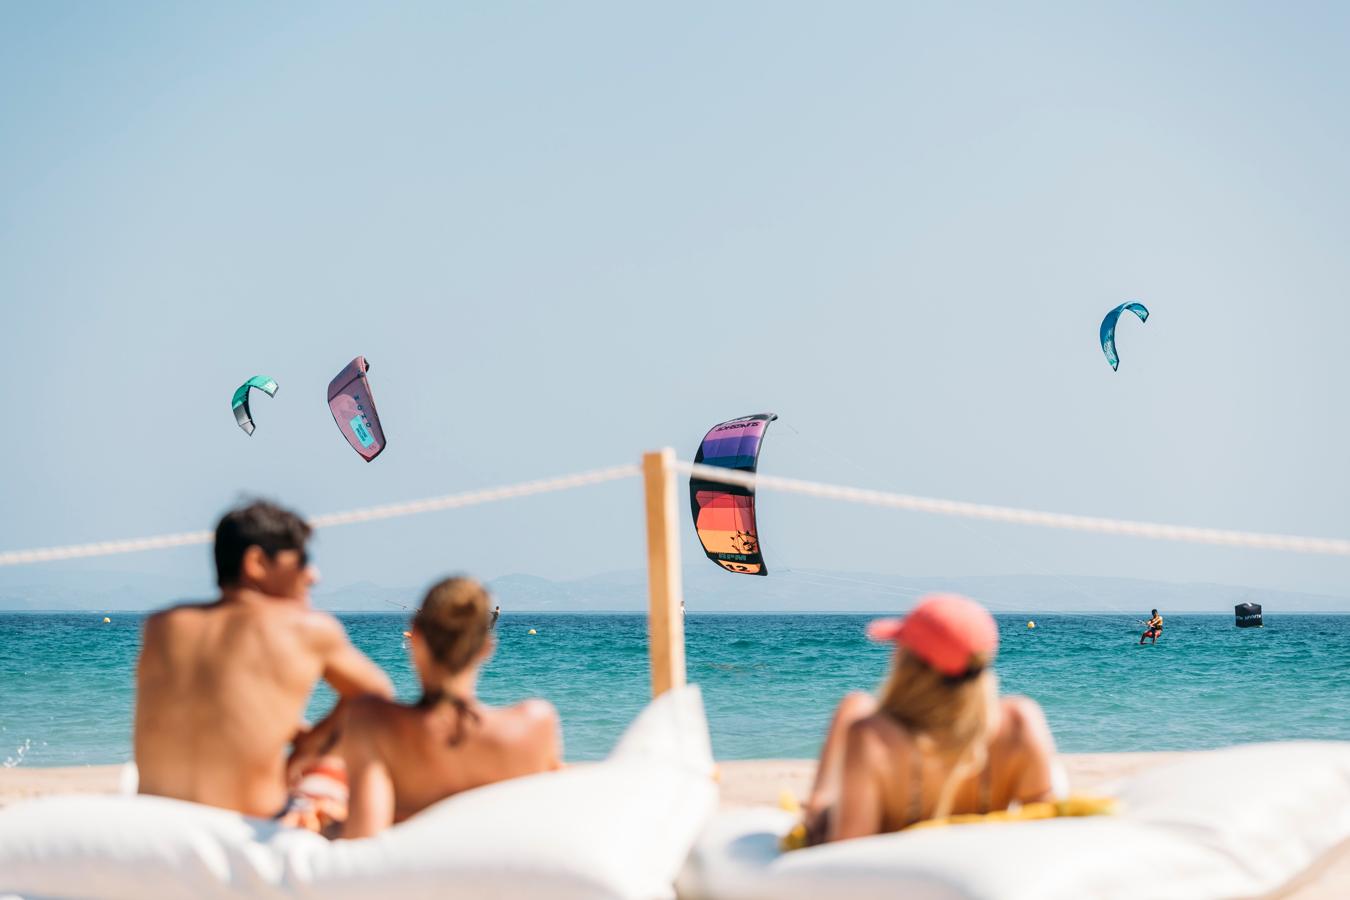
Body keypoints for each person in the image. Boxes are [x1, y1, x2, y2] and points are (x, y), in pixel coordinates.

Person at [134, 500, 394, 828]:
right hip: (251, 828)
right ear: (256, 562)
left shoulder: (161, 627)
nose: (313, 576)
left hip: (156, 828)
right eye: (302, 560)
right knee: (339, 774)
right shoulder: (304, 627)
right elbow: (377, 694)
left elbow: (217, 702)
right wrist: (311, 742)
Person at [802, 593, 1059, 844]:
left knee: (854, 705)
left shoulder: (872, 737)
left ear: (908, 664)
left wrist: (817, 810)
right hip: (978, 856)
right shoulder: (1020, 721)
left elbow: (849, 851)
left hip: (888, 860)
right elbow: (1045, 831)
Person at [340, 576, 562, 838]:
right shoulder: (535, 725)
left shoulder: (372, 723)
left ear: (416, 637)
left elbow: (363, 841)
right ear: (486, 648)